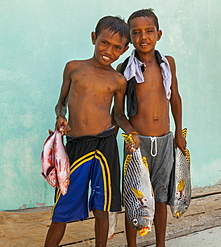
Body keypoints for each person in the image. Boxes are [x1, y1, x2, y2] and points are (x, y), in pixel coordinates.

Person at [44, 16, 140, 247]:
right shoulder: (74, 68)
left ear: (125, 50)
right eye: (104, 43)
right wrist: (60, 117)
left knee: (102, 207)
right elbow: (61, 103)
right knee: (62, 207)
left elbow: (118, 115)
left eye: (117, 47)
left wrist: (132, 133)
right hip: (77, 144)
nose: (109, 51)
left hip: (105, 146)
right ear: (94, 38)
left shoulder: (118, 80)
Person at [115, 8, 186, 247]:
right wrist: (130, 133)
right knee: (137, 197)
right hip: (137, 143)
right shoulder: (124, 69)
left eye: (149, 31)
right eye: (136, 33)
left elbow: (174, 97)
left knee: (162, 195)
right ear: (130, 37)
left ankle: (161, 243)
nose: (143, 37)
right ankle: (132, 245)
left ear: (159, 34)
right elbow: (118, 112)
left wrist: (179, 132)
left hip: (165, 140)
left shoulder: (168, 64)